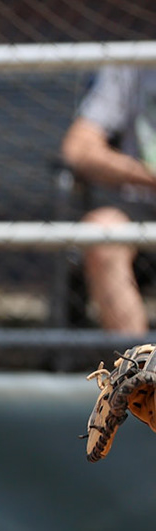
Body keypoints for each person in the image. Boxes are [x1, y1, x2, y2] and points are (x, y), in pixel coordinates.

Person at [61, 66, 156, 335]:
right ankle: (139, 371)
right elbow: (78, 148)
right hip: (142, 211)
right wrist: (146, 175)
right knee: (101, 230)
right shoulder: (131, 65)